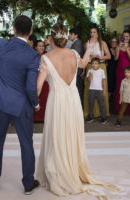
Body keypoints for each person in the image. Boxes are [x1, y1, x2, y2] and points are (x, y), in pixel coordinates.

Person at [36, 22, 122, 199]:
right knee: (71, 134)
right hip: (73, 100)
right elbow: (83, 64)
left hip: (57, 101)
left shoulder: (46, 58)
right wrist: (89, 48)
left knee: (57, 135)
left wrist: (32, 101)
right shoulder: (74, 53)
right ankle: (72, 169)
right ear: (66, 38)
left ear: (51, 38)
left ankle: (59, 171)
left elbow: (37, 87)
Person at [0, 9, 40, 194]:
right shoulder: (32, 55)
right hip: (22, 105)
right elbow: (31, 87)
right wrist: (36, 103)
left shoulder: (2, 45)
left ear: (14, 30)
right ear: (30, 32)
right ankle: (28, 183)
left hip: (3, 103)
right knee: (26, 144)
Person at [83, 27, 111, 118]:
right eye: (91, 32)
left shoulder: (102, 43)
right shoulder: (87, 43)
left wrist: (97, 58)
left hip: (100, 66)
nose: (92, 34)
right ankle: (90, 113)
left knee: (101, 88)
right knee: (90, 88)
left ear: (98, 33)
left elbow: (108, 56)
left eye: (94, 32)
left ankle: (102, 113)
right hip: (90, 66)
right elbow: (85, 58)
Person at [114, 30, 130, 114]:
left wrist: (127, 48)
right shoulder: (118, 46)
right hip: (120, 70)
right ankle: (119, 109)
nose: (126, 38)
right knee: (120, 88)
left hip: (129, 71)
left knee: (129, 89)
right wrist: (118, 48)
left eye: (127, 36)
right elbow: (116, 58)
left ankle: (129, 110)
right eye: (124, 36)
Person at [85, 57, 107, 124]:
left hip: (99, 90)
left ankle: (103, 118)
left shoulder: (101, 71)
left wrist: (104, 90)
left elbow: (104, 81)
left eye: (96, 63)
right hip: (91, 89)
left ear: (99, 64)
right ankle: (90, 117)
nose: (94, 65)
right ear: (91, 64)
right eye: (93, 64)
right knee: (91, 104)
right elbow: (88, 80)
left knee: (101, 104)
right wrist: (89, 77)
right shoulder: (90, 70)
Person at [34, 40, 49, 122]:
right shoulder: (33, 55)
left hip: (45, 80)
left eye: (42, 46)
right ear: (36, 47)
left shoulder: (47, 55)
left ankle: (44, 117)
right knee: (36, 97)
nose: (41, 47)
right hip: (35, 79)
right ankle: (35, 117)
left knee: (45, 98)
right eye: (39, 46)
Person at [69, 28, 84, 106]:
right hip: (77, 69)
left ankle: (79, 107)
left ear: (76, 35)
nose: (69, 36)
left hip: (78, 70)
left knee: (78, 89)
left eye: (71, 34)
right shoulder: (75, 42)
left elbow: (75, 57)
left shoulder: (77, 43)